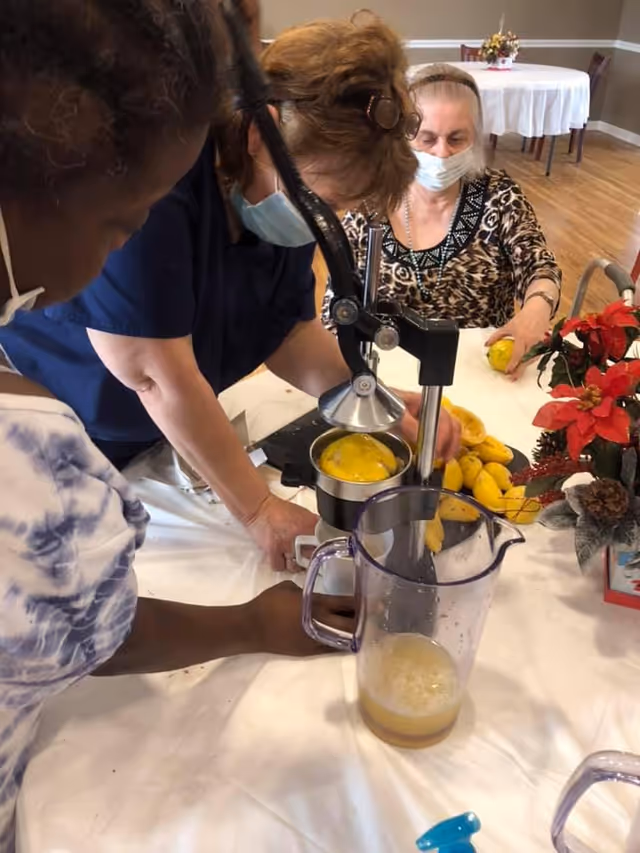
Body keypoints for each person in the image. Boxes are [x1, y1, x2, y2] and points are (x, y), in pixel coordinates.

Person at [0, 3, 356, 849]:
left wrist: (354, 393)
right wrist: (250, 621)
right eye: (122, 222)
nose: (112, 255)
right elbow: (83, 625)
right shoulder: (35, 470)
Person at [0, 19, 460, 573]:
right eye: (325, 200)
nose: (327, 220)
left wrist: (361, 395)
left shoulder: (276, 186)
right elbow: (153, 373)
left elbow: (286, 328)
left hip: (171, 429)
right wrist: (260, 510)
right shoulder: (156, 182)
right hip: (73, 428)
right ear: (260, 133)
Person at [327, 63, 563, 378]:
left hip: (481, 372)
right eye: (427, 138)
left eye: (456, 138)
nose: (441, 153)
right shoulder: (370, 206)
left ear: (476, 138)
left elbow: (540, 268)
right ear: (402, 137)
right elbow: (336, 313)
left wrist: (536, 309)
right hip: (387, 374)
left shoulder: (500, 197)